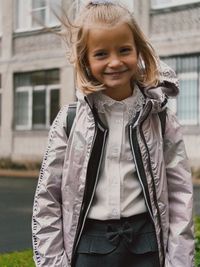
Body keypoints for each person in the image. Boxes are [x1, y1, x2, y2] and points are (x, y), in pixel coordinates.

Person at [32, 1, 195, 266]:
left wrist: (179, 261)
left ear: (138, 51)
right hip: (89, 248)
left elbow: (180, 195)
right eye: (101, 54)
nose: (115, 62)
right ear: (85, 60)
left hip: (147, 247)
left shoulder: (161, 117)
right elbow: (47, 199)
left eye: (124, 50)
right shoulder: (69, 120)